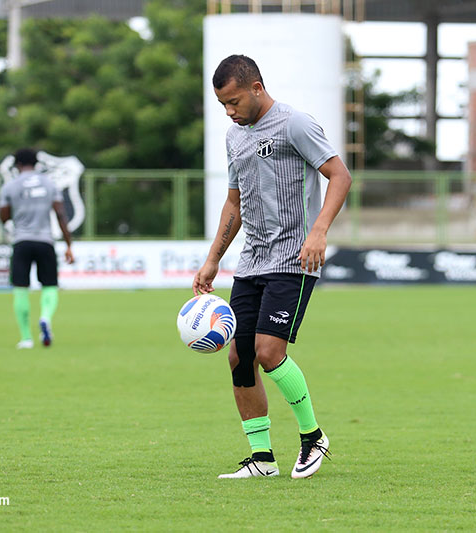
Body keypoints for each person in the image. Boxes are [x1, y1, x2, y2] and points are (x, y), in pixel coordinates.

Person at [193, 55, 352, 479]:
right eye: (222, 104)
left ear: (257, 88)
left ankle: (313, 436)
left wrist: (318, 232)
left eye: (233, 101)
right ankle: (262, 459)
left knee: (268, 351)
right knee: (239, 356)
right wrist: (213, 260)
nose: (229, 111)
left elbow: (340, 176)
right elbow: (234, 201)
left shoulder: (294, 124)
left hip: (294, 259)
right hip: (251, 262)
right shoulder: (234, 137)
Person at [0, 148, 74, 349]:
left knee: (20, 288)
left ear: (17, 165)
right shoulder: (49, 184)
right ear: (36, 164)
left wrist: (18, 210)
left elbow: (3, 216)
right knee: (50, 285)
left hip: (22, 241)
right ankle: (45, 317)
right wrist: (68, 245)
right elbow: (60, 214)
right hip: (45, 241)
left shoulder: (10, 186)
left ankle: (26, 338)